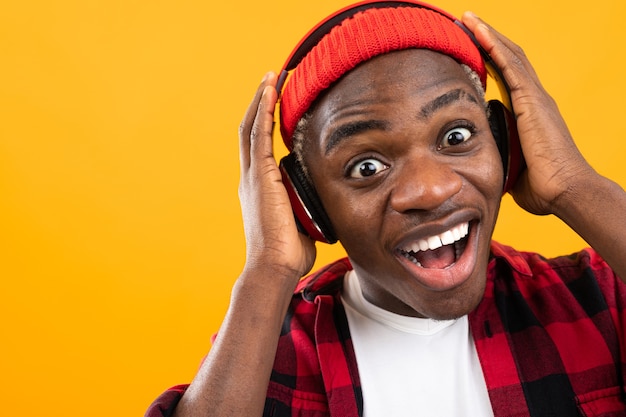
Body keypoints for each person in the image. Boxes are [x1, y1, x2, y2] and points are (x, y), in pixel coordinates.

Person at [146, 1, 626, 416]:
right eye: (367, 166)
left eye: (456, 137)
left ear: (507, 147)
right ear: (307, 205)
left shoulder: (593, 302)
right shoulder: (269, 359)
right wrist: (266, 271)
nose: (430, 190)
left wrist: (574, 185)